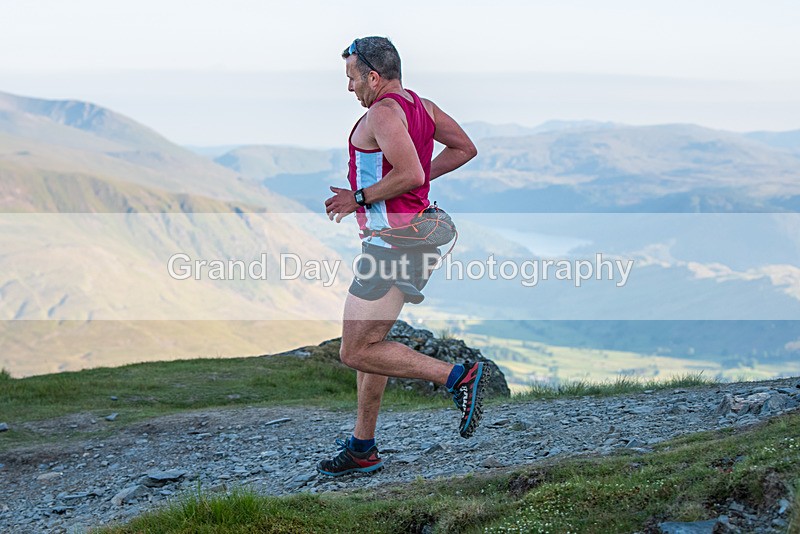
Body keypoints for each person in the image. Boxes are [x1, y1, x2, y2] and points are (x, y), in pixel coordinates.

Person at [319, 36, 484, 477]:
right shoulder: (421, 107)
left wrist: (360, 196)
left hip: (393, 243)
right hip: (410, 237)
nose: (350, 88)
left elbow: (409, 172)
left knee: (353, 351)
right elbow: (464, 149)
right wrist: (410, 174)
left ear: (373, 75)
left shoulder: (384, 112)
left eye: (352, 78)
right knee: (372, 346)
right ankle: (362, 446)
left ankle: (457, 377)